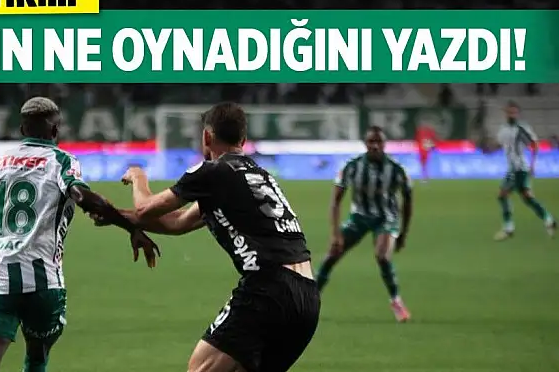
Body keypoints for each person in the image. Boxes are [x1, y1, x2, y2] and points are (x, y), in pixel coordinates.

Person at [92, 102, 320, 372]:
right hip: (307, 299)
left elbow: (145, 208)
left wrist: (138, 175)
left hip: (268, 290)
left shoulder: (212, 171)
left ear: (207, 136)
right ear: (243, 139)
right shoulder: (259, 176)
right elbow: (177, 222)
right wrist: (115, 216)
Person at [0, 97, 160, 372]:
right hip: (44, 281)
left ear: (21, 129)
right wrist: (131, 227)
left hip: (0, 279)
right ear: (55, 130)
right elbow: (82, 196)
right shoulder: (61, 160)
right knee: (36, 359)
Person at [316, 126, 413, 322]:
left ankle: (396, 301)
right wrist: (335, 234)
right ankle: (310, 299)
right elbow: (335, 201)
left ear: (384, 144)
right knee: (332, 255)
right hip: (359, 217)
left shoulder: (396, 169)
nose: (375, 146)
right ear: (365, 143)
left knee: (382, 256)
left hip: (386, 218)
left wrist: (403, 233)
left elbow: (408, 200)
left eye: (379, 142)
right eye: (371, 142)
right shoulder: (352, 166)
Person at [493, 101, 555, 241]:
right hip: (513, 168)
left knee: (503, 194)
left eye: (514, 112)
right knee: (526, 198)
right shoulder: (503, 130)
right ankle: (548, 219)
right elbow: (500, 145)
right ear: (506, 113)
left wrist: (533, 164)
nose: (512, 115)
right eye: (510, 112)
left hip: (519, 168)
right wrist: (490, 148)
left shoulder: (521, 129)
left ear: (518, 114)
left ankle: (508, 228)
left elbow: (534, 144)